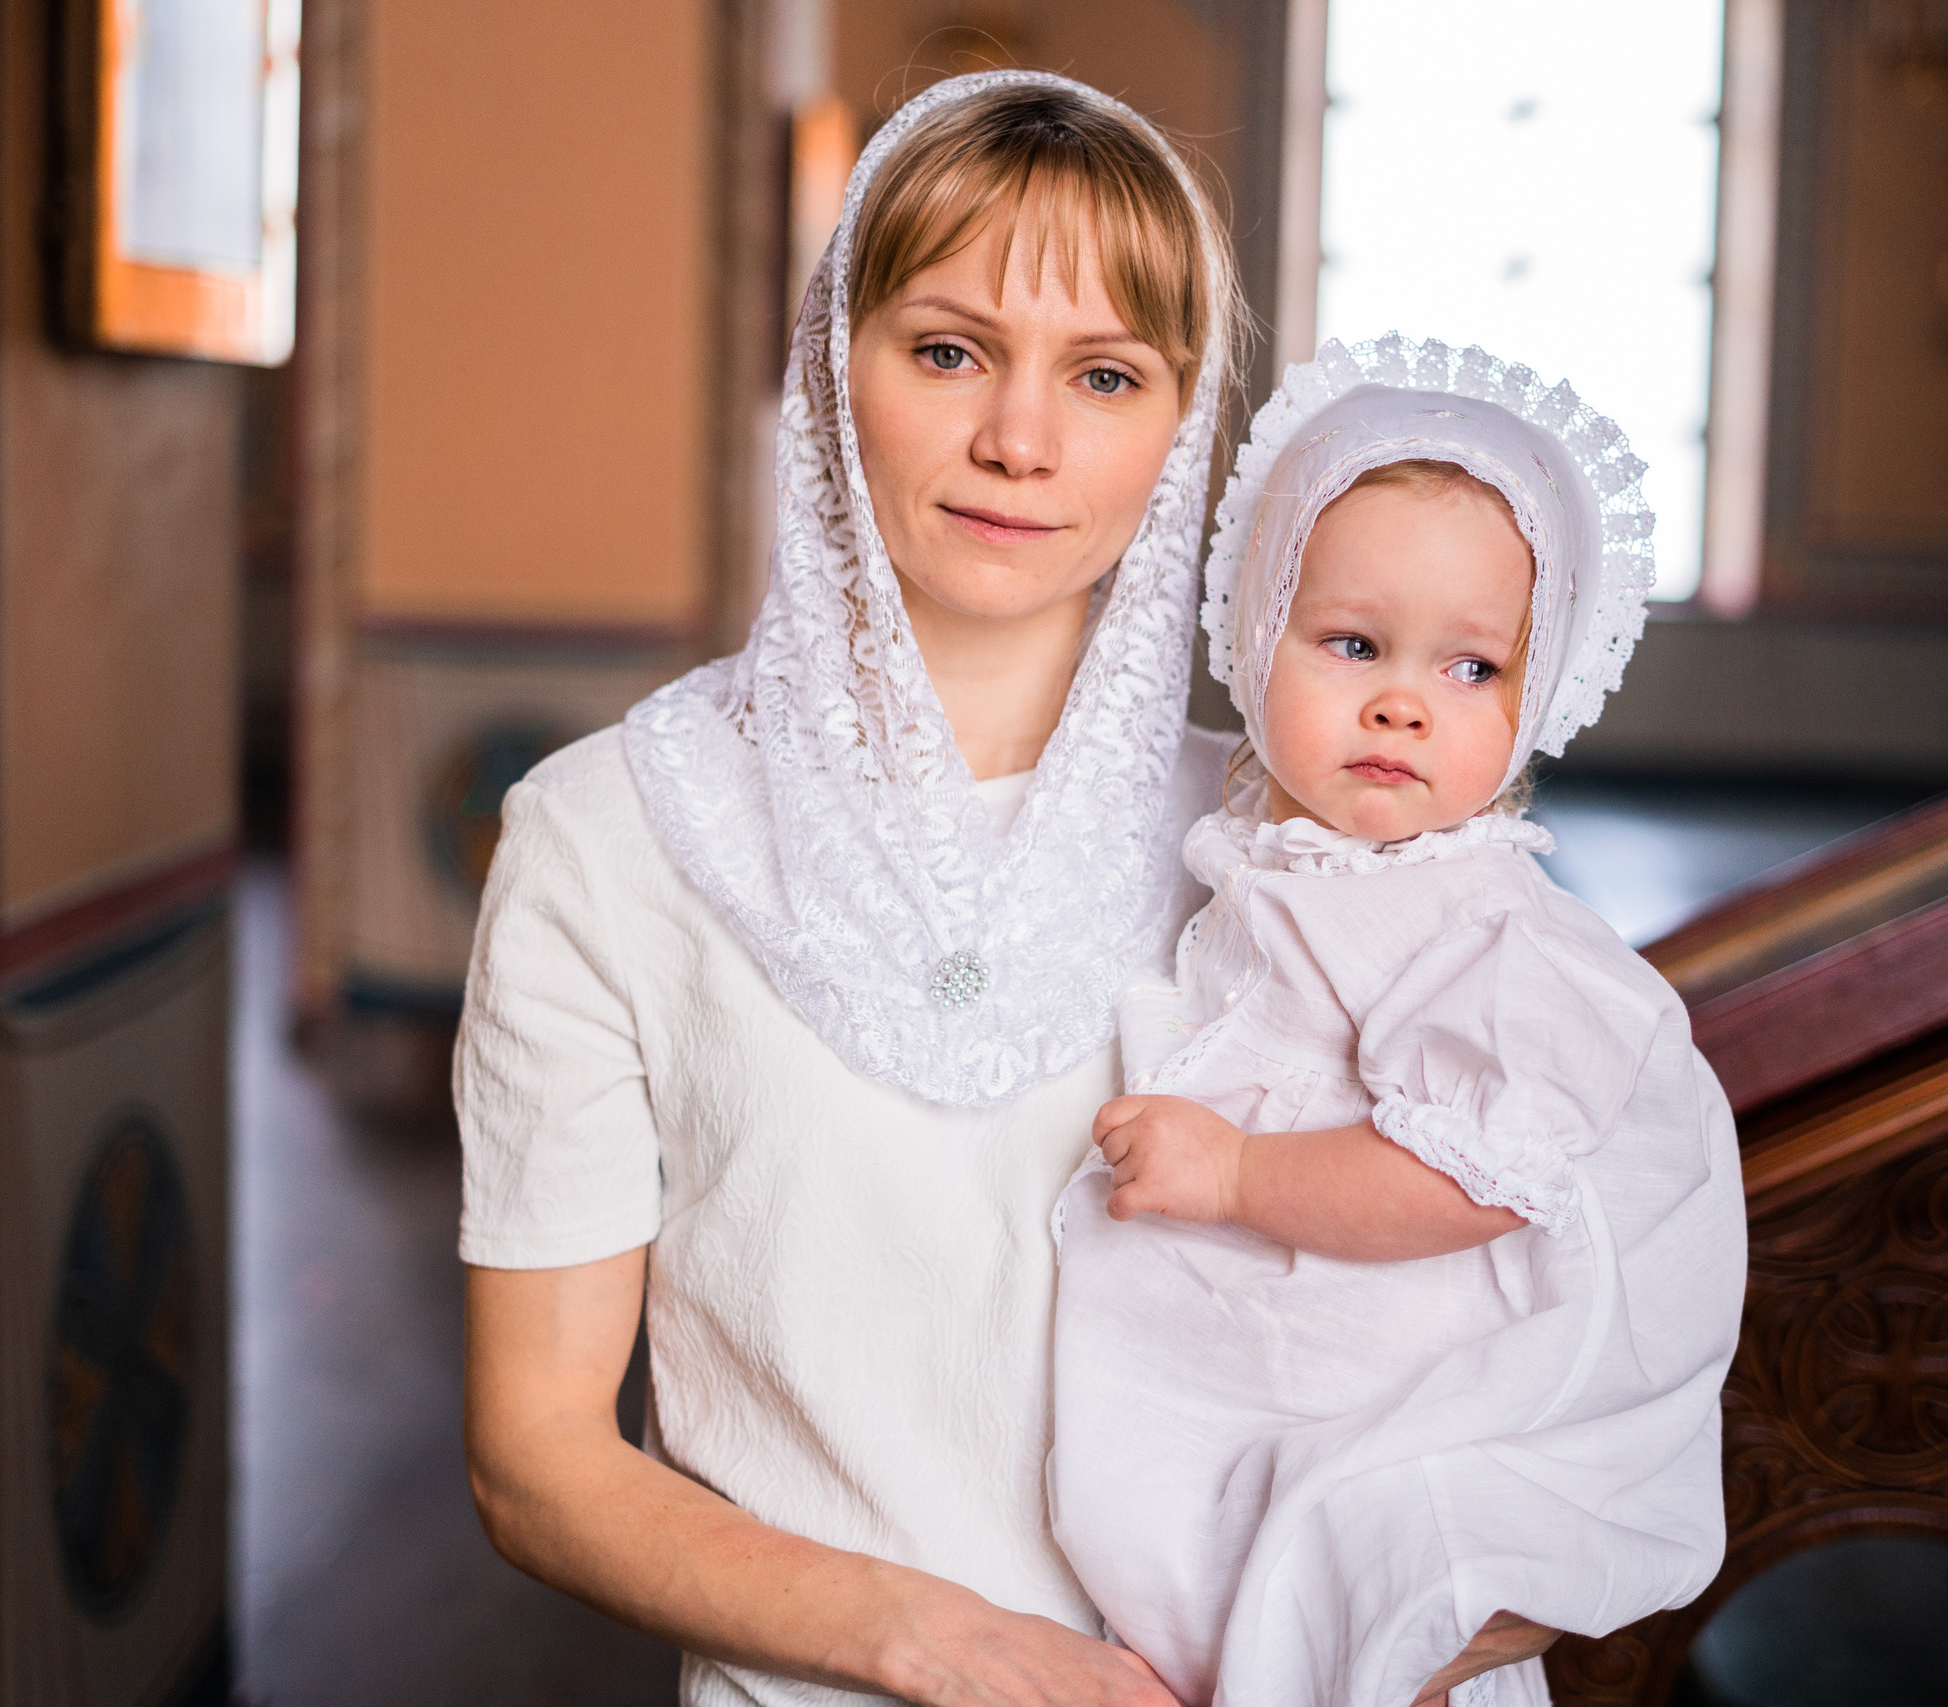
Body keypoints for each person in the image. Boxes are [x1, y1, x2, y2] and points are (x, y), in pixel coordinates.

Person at [456, 76, 1557, 1704]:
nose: (1018, 443)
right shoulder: (605, 837)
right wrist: (954, 1651)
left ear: (1182, 430)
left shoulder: (1340, 847)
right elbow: (538, 1458)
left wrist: (1366, 1635)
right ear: (840, 364)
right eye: (949, 349)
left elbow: (1553, 1366)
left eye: (1103, 374)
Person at [1046, 337, 1748, 1707]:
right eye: (1353, 643)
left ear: (1536, 697)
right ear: (1256, 635)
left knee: (1342, 1587)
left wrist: (1242, 1171)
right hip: (1272, 1344)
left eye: (1471, 670)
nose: (1401, 700)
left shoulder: (1477, 924)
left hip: (1395, 1362)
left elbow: (1465, 1180)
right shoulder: (1278, 847)